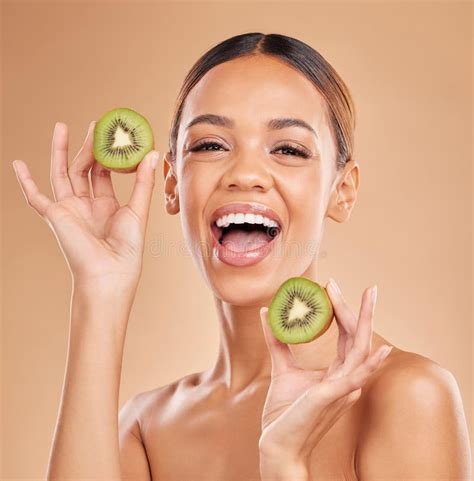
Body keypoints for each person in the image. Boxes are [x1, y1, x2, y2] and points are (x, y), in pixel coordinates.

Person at [13, 32, 471, 481]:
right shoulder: (145, 429)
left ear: (342, 191)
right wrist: (100, 289)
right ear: (172, 183)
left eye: (289, 149)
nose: (246, 173)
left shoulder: (407, 397)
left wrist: (285, 467)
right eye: (211, 145)